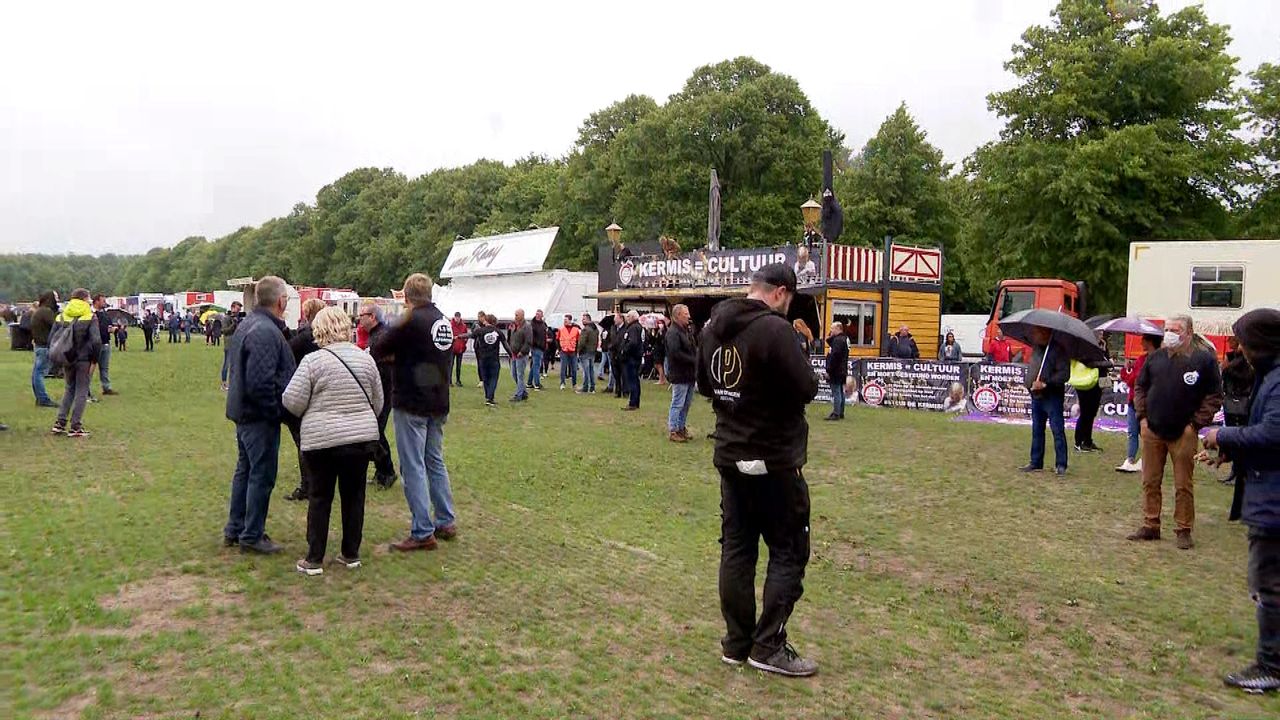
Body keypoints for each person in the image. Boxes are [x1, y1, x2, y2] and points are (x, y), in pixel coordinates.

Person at [696, 263, 820, 677]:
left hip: (731, 452)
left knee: (737, 549)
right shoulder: (774, 330)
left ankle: (737, 641)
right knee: (788, 550)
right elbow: (807, 386)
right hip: (774, 458)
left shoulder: (713, 326)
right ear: (781, 293)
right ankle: (767, 645)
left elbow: (705, 385)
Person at [1201, 308, 1280, 694]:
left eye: (1245, 344)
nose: (1241, 351)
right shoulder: (1269, 376)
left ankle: (1270, 666)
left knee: (1269, 585)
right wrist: (1233, 452)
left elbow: (1272, 435)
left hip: (1274, 501)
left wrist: (1225, 438)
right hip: (1266, 493)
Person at [283, 306, 383, 576]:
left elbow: (292, 401)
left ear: (319, 330)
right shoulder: (366, 360)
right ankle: (350, 553)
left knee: (320, 497)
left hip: (322, 440)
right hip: (359, 439)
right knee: (354, 497)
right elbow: (378, 401)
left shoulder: (313, 362)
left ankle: (314, 558)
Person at [372, 273, 458, 552]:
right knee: (435, 461)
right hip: (439, 399)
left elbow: (378, 347)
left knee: (412, 466)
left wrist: (397, 357)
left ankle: (422, 531)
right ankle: (445, 520)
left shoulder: (410, 319)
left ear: (406, 297)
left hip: (411, 401)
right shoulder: (442, 320)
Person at [1128, 315, 1222, 550]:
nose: (1168, 333)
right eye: (1166, 328)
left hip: (1184, 432)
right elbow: (1140, 387)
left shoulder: (1204, 360)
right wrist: (1142, 418)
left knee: (1183, 484)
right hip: (1153, 429)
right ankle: (1151, 524)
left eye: (1175, 329)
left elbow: (1214, 396)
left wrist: (1195, 424)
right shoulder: (1155, 358)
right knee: (1150, 480)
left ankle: (1183, 528)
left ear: (1188, 332)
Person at [222, 277, 296, 555]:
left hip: (244, 412)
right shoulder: (265, 331)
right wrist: (277, 411)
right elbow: (260, 382)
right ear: (280, 301)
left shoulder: (249, 323)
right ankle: (251, 534)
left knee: (246, 471)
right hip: (258, 416)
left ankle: (236, 527)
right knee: (260, 475)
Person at [283, 298, 326, 502]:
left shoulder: (306, 336)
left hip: (305, 392)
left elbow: (288, 351)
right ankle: (317, 483)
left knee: (303, 442)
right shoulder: (326, 336)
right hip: (323, 393)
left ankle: (307, 486)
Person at [50, 289, 103, 438]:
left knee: (69, 389)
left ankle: (60, 423)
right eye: (89, 298)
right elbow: (96, 341)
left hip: (66, 357)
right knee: (82, 391)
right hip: (83, 359)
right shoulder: (90, 316)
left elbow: (52, 338)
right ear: (84, 299)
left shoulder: (61, 316)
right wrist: (95, 359)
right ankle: (75, 426)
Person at [1020, 325, 1071, 476]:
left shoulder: (1058, 350)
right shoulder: (1036, 348)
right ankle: (1036, 461)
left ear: (1045, 333)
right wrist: (1029, 384)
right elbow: (1033, 368)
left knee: (1057, 430)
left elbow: (1064, 374)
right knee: (1037, 430)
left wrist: (1045, 383)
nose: (1034, 335)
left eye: (1036, 332)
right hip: (1036, 396)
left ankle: (1061, 464)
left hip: (1052, 397)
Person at [360, 302, 398, 488]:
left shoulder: (382, 337)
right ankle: (381, 471)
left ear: (372, 317)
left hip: (384, 391)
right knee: (375, 432)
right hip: (378, 391)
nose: (360, 319)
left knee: (376, 433)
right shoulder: (375, 336)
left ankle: (388, 471)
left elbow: (384, 367)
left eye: (362, 315)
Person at [1116, 334, 1162, 473]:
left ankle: (1145, 459)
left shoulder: (1151, 360)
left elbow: (1133, 380)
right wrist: (1127, 369)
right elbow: (1130, 380)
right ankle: (1131, 459)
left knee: (1144, 433)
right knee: (1133, 432)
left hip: (1147, 403)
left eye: (1144, 339)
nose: (1141, 342)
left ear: (1149, 341)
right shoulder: (1142, 359)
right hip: (1134, 401)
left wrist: (1128, 373)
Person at [665, 304, 697, 442]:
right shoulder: (673, 333)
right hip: (679, 373)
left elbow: (692, 347)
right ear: (677, 316)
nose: (688, 316)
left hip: (689, 373)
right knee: (678, 403)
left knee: (686, 403)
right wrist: (693, 360)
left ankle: (681, 427)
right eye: (685, 314)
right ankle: (673, 430)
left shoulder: (686, 331)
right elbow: (675, 353)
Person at [470, 314, 511, 407]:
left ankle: (488, 397)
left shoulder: (480, 331)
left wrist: (459, 336)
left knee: (485, 378)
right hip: (494, 359)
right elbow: (505, 344)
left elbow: (470, 335)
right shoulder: (498, 332)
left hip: (483, 358)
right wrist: (511, 355)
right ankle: (490, 397)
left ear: (486, 321)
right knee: (493, 378)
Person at [30, 291, 58, 408]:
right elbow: (57, 324)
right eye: (56, 297)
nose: (57, 300)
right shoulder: (46, 312)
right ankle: (43, 399)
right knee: (39, 373)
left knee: (37, 372)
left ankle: (40, 398)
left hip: (39, 345)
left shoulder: (39, 311)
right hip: (44, 346)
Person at [89, 294, 117, 398]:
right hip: (95, 344)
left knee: (104, 368)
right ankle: (86, 389)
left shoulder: (105, 314)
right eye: (103, 301)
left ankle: (106, 387)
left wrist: (113, 329)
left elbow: (108, 326)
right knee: (90, 368)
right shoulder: (91, 313)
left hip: (106, 343)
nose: (104, 303)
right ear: (96, 301)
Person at [826, 322, 850, 421]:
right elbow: (829, 342)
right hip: (842, 369)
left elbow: (834, 356)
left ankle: (836, 413)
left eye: (832, 329)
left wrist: (829, 369)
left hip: (836, 370)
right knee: (840, 391)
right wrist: (831, 336)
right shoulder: (844, 339)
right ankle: (840, 412)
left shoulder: (838, 341)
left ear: (838, 328)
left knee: (836, 391)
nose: (831, 331)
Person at [620, 310, 644, 410]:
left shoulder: (634, 328)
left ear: (633, 317)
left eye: (629, 316)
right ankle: (635, 402)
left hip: (632, 358)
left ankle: (633, 403)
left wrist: (624, 350)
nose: (627, 318)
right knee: (635, 380)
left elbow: (633, 342)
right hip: (636, 357)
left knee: (632, 381)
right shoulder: (637, 327)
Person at [509, 309, 533, 402]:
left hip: (521, 355)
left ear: (522, 315)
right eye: (515, 315)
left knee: (520, 375)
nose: (515, 317)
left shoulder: (527, 327)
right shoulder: (515, 326)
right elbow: (512, 339)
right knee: (514, 374)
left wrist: (522, 352)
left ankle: (518, 395)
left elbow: (528, 341)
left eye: (517, 315)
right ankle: (523, 392)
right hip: (514, 354)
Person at [221, 301, 244, 391]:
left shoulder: (237, 318)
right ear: (232, 308)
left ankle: (234, 383)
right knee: (227, 364)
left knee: (236, 364)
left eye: (239, 310)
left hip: (237, 343)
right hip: (229, 344)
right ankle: (223, 383)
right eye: (237, 309)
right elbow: (224, 331)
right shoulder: (226, 318)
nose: (238, 311)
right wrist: (233, 324)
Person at [577, 313, 600, 394]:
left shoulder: (586, 329)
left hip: (585, 352)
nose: (582, 320)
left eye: (584, 319)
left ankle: (585, 387)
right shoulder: (595, 329)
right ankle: (592, 387)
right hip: (592, 351)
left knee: (585, 371)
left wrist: (578, 350)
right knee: (591, 370)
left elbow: (582, 342)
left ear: (588, 319)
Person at [558, 315, 580, 390]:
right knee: (563, 368)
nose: (565, 321)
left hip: (572, 351)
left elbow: (578, 340)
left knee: (574, 368)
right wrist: (560, 349)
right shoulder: (561, 330)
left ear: (570, 320)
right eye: (564, 320)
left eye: (566, 320)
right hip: (564, 351)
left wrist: (576, 350)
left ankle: (574, 384)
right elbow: (557, 339)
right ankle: (562, 383)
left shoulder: (576, 330)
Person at [608, 311, 625, 397]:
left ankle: (625, 391)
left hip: (621, 354)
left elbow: (621, 341)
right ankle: (618, 391)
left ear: (621, 319)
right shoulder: (613, 328)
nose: (614, 320)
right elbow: (611, 339)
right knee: (616, 374)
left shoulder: (625, 328)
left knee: (623, 374)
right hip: (613, 353)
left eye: (616, 318)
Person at [529, 309, 548, 391]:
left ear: (542, 315)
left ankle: (529, 383)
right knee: (537, 365)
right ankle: (537, 384)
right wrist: (534, 344)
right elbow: (531, 336)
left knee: (534, 365)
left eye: (539, 314)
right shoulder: (532, 324)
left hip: (541, 347)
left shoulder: (543, 324)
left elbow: (545, 334)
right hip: (536, 347)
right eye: (537, 314)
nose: (538, 315)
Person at [449, 312, 468, 387]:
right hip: (452, 348)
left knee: (459, 366)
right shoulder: (450, 325)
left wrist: (464, 343)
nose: (457, 319)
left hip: (460, 348)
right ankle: (449, 381)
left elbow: (466, 335)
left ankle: (458, 380)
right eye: (456, 317)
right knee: (451, 365)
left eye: (458, 317)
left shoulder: (463, 326)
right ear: (454, 317)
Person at [651, 321, 667, 385]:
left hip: (661, 350)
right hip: (656, 349)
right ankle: (662, 378)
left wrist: (661, 333)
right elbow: (652, 340)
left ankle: (661, 380)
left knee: (659, 364)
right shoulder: (656, 331)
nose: (659, 325)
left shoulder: (664, 332)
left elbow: (663, 340)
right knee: (656, 364)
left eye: (661, 323)